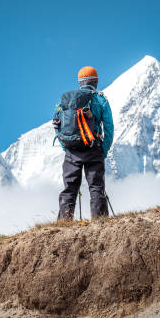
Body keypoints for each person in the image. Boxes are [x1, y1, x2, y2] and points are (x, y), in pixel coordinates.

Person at [53, 66, 114, 220]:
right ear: (96, 81)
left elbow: (57, 125)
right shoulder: (100, 100)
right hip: (94, 148)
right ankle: (100, 222)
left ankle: (63, 224)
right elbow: (109, 128)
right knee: (96, 187)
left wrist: (66, 147)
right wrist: (103, 150)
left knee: (70, 188)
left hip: (71, 150)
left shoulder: (66, 102)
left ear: (80, 82)